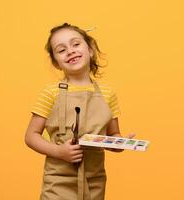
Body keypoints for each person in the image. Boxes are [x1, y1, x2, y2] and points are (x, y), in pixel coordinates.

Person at [25, 22, 135, 200]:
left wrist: (120, 143)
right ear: (56, 63)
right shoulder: (50, 93)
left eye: (76, 44)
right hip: (58, 181)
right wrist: (59, 152)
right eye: (61, 50)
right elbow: (31, 136)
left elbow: (113, 134)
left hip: (94, 180)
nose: (70, 51)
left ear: (90, 49)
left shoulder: (108, 94)